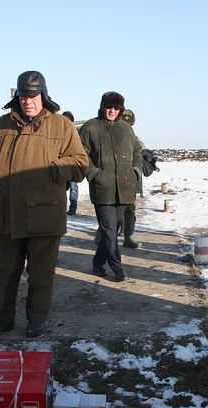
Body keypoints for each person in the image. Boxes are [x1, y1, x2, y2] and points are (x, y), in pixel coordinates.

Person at [0, 71, 87, 338]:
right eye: (23, 95)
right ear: (17, 95)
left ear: (43, 96)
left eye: (33, 95)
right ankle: (1, 318)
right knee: (3, 273)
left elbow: (80, 163)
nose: (28, 101)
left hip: (44, 214)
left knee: (41, 274)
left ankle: (37, 320)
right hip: (8, 212)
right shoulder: (2, 124)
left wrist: (50, 169)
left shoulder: (61, 125)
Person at [79, 92, 141, 283]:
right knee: (108, 230)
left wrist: (135, 172)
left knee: (113, 230)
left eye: (116, 108)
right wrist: (93, 174)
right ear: (103, 106)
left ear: (121, 109)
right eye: (109, 107)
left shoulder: (126, 129)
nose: (112, 111)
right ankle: (117, 267)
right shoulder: (90, 127)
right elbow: (81, 154)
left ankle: (98, 262)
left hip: (124, 187)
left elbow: (137, 151)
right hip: (102, 188)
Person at [119, 108, 144, 248]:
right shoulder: (110, 138)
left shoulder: (136, 140)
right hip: (113, 181)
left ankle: (128, 237)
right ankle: (102, 237)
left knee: (129, 210)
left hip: (130, 182)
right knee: (112, 211)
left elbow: (139, 160)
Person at [61, 111, 79, 216]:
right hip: (62, 165)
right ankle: (62, 206)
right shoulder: (57, 132)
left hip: (72, 165)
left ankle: (72, 208)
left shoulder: (75, 133)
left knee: (73, 187)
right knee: (63, 188)